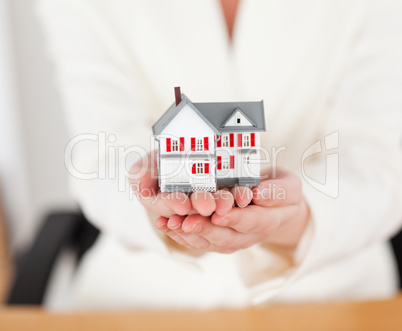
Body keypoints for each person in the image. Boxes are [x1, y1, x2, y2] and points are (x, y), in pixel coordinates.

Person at [36, 0, 402, 310]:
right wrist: (149, 195)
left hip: (335, 295)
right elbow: (100, 158)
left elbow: (380, 164)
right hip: (142, 295)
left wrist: (298, 218)